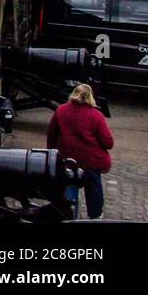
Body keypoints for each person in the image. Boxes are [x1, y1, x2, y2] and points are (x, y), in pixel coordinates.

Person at [47, 83, 114, 219]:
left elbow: (52, 134)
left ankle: (69, 214)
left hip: (68, 158)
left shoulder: (61, 110)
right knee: (93, 188)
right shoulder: (96, 115)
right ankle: (95, 216)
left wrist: (52, 152)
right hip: (90, 160)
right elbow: (108, 142)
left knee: (68, 185)